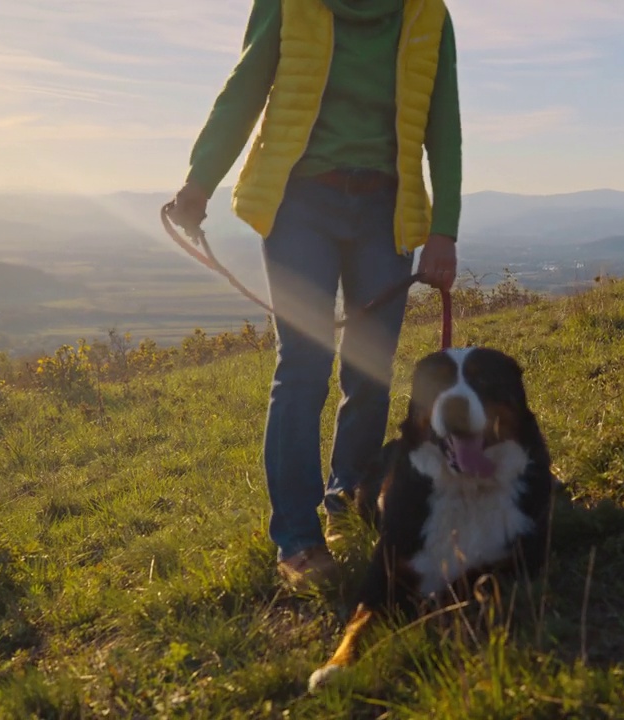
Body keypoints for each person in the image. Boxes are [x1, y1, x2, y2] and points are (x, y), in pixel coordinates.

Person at [167, 0, 461, 588]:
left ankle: (347, 498)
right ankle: (297, 539)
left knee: (371, 368)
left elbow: (443, 127)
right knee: (303, 363)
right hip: (301, 202)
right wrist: (199, 182)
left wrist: (443, 230)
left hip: (386, 208)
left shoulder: (429, 14)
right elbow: (244, 91)